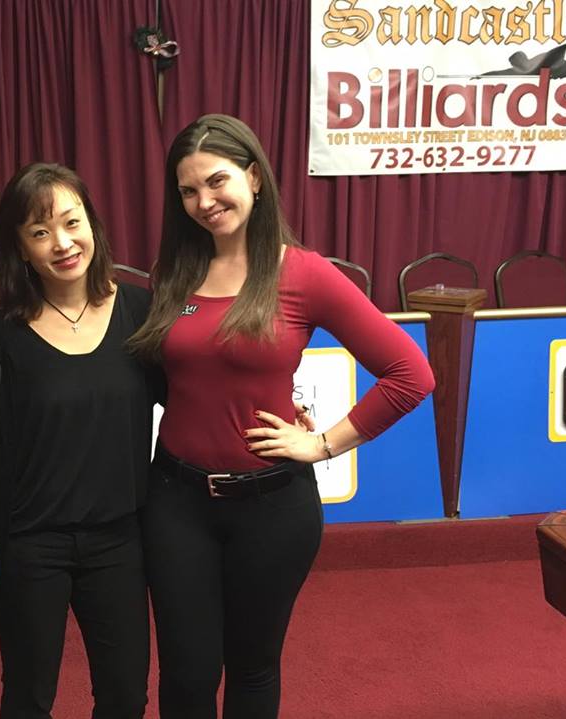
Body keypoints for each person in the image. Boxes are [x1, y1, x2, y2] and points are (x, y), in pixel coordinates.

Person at [128, 114, 436, 719]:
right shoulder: (173, 273)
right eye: (188, 190)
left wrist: (323, 444)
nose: (204, 202)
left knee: (253, 668)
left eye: (217, 181)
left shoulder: (304, 273)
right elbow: (177, 382)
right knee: (187, 673)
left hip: (271, 509)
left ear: (254, 177)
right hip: (176, 502)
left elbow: (411, 375)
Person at [0, 163, 157, 719]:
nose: (62, 243)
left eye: (71, 222)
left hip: (120, 539)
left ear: (92, 224)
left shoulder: (139, 310)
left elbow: (193, 393)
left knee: (126, 696)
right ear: (20, 247)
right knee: (29, 697)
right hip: (32, 543)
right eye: (40, 232)